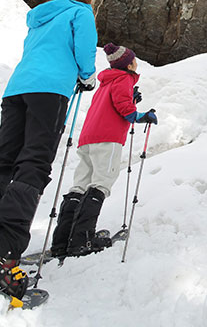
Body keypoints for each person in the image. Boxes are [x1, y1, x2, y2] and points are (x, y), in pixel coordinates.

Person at [0, 0, 98, 298]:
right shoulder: (80, 13)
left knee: (4, 160)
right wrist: (87, 76)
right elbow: (84, 50)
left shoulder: (40, 18)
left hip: (16, 89)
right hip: (50, 92)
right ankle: (4, 248)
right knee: (34, 162)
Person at [49, 43, 157, 258]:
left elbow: (114, 104)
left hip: (88, 138)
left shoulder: (106, 82)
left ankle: (62, 241)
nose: (136, 63)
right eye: (134, 60)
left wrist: (131, 99)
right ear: (128, 65)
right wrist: (141, 116)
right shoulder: (124, 79)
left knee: (80, 185)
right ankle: (82, 240)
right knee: (101, 184)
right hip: (108, 138)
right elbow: (124, 109)